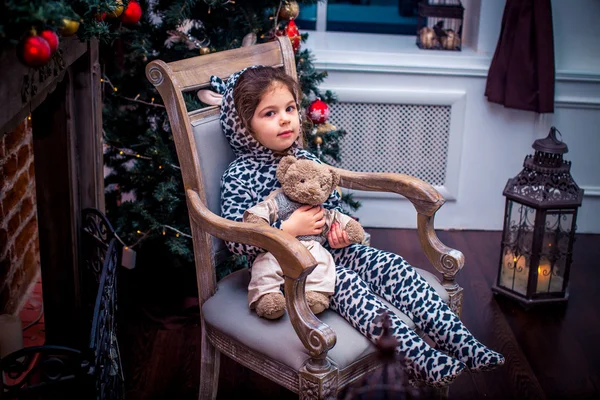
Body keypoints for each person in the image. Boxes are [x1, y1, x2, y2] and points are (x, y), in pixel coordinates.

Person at [212, 66, 504, 387]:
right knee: (351, 286)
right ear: (244, 126)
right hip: (288, 268)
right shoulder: (240, 173)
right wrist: (289, 229)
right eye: (270, 113)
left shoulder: (308, 158)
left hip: (330, 250)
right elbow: (238, 241)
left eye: (290, 109)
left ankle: (458, 340)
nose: (285, 119)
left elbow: (330, 204)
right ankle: (420, 358)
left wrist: (338, 231)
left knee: (389, 265)